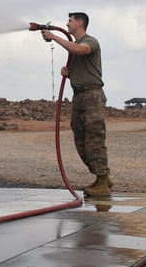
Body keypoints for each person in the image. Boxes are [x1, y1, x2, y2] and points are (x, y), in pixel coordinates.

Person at [41, 12, 112, 197]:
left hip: (92, 97)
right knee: (80, 141)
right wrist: (70, 74)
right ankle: (101, 176)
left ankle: (102, 183)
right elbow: (81, 64)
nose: (66, 24)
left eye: (70, 21)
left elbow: (80, 50)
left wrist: (54, 36)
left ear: (79, 23)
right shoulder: (75, 46)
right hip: (79, 97)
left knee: (94, 141)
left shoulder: (90, 41)